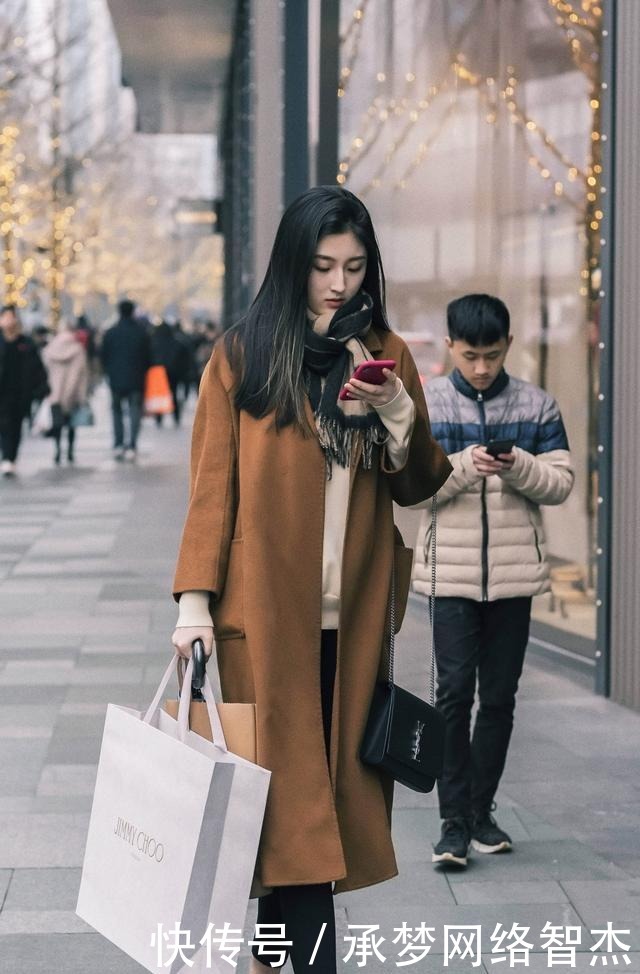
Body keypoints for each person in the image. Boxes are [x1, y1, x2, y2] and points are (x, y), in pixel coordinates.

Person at [171, 185, 451, 972]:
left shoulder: (383, 357)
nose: (339, 284)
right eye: (324, 266)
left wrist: (397, 409)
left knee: (304, 808)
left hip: (352, 622)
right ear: (295, 264)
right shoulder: (243, 355)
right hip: (261, 619)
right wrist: (194, 605)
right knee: (296, 809)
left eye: (355, 267)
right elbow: (211, 492)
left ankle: (265, 956)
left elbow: (418, 481)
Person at [411, 293, 574, 868]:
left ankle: (482, 813)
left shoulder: (536, 405)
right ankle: (453, 822)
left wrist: (517, 466)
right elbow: (414, 489)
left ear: (508, 346)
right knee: (453, 696)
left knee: (499, 698)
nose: (481, 367)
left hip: (514, 579)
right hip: (449, 578)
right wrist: (463, 468)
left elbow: (560, 483)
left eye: (493, 355)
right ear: (452, 345)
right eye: (471, 355)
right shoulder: (427, 404)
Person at [0, 304, 49, 476]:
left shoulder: (26, 342)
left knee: (16, 425)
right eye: (4, 317)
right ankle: (6, 457)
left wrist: (42, 387)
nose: (8, 320)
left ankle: (10, 457)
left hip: (21, 392)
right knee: (4, 425)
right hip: (2, 392)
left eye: (10, 317)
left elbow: (37, 367)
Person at [100, 298, 151, 460]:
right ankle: (132, 444)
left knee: (116, 411)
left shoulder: (111, 332)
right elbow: (149, 356)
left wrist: (109, 371)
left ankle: (118, 443)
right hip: (137, 378)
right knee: (135, 410)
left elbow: (103, 355)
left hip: (116, 379)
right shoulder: (141, 332)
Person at [42, 319, 89, 465]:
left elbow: (44, 370)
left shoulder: (49, 349)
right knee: (71, 424)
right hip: (72, 392)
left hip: (54, 392)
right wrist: (83, 393)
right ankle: (69, 451)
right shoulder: (78, 349)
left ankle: (57, 450)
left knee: (57, 423)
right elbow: (83, 373)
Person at [149, 320, 191, 426]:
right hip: (174, 373)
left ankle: (159, 417)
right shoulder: (177, 343)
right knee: (174, 394)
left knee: (159, 395)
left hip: (158, 372)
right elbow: (184, 359)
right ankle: (176, 417)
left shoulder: (153, 343)